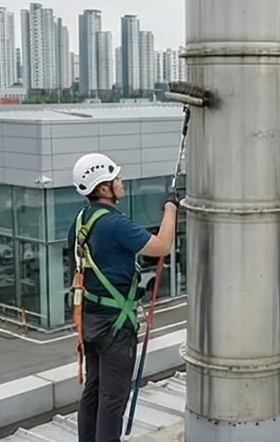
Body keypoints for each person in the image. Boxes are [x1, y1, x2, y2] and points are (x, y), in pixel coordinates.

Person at [69, 152, 179, 442]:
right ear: (104, 188)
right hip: (115, 326)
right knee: (113, 398)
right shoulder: (115, 224)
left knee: (93, 390)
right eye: (115, 178)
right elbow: (162, 246)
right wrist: (171, 208)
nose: (121, 181)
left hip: (90, 321)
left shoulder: (82, 219)